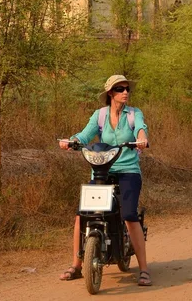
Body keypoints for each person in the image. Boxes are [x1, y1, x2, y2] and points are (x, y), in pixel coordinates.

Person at [58, 74, 152, 287]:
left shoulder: (134, 113)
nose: (125, 92)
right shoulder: (99, 116)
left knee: (129, 214)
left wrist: (142, 140)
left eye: (127, 89)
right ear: (110, 93)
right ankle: (76, 266)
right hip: (102, 171)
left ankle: (144, 270)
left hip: (128, 170)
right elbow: (84, 136)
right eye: (120, 89)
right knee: (81, 214)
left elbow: (140, 128)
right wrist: (71, 141)